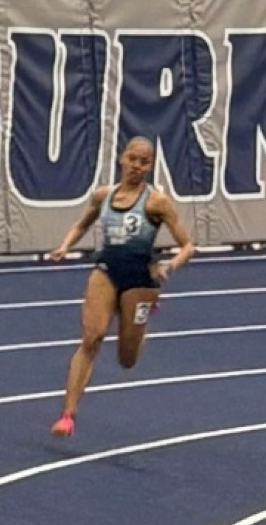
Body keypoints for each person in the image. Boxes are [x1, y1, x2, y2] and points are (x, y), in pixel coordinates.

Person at [45, 137, 194, 438]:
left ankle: (143, 318)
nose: (137, 166)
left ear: (150, 166)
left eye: (144, 162)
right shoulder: (103, 196)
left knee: (127, 360)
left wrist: (169, 266)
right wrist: (64, 246)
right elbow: (82, 224)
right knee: (92, 337)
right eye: (133, 159)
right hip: (107, 270)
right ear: (121, 159)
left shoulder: (157, 202)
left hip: (139, 280)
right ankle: (68, 415)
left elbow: (188, 245)